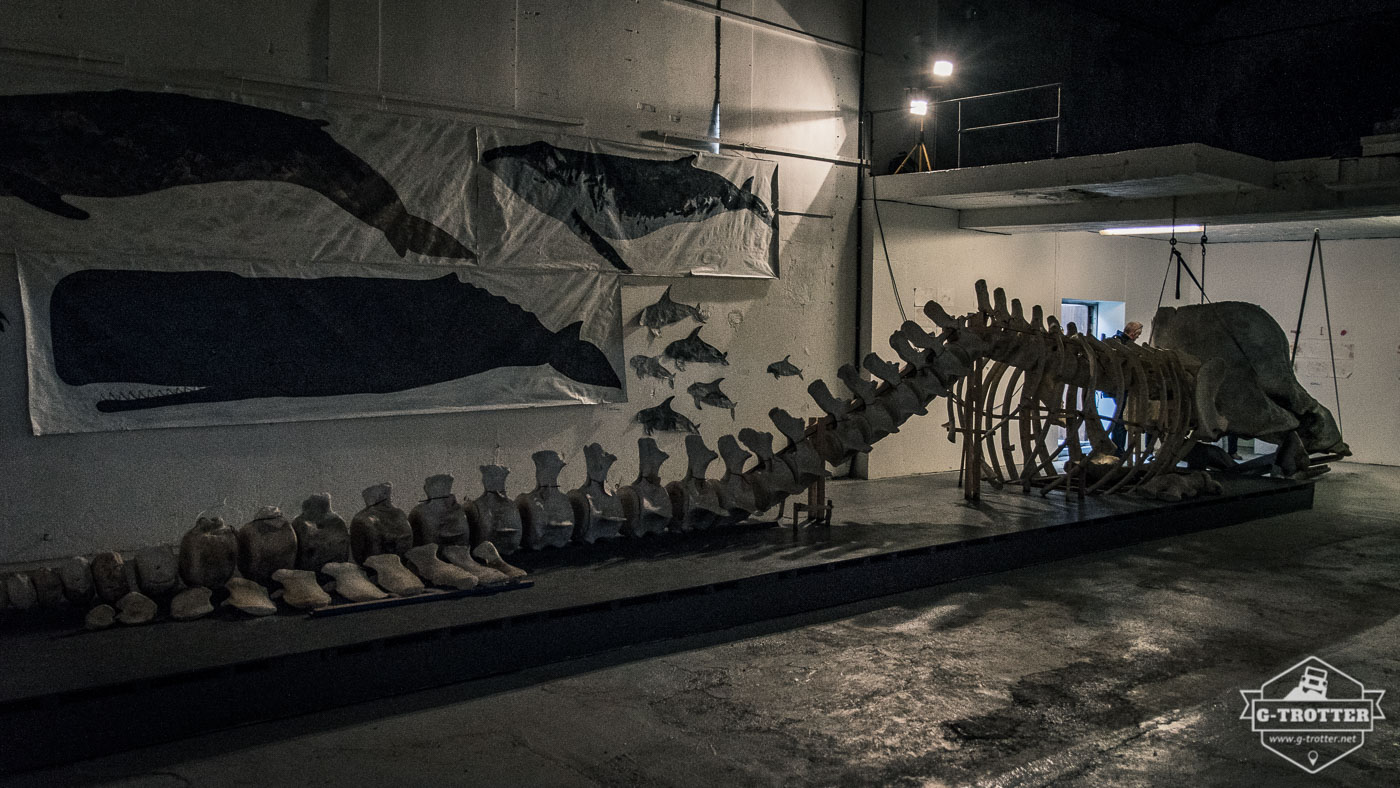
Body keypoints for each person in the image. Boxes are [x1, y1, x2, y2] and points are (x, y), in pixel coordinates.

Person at [1108, 322, 1143, 452]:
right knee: (1121, 418)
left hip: (1119, 386)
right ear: (1133, 333)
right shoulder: (1124, 344)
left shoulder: (1117, 340)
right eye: (1138, 334)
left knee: (1120, 417)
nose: (1138, 337)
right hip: (1123, 386)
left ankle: (1118, 448)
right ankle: (1118, 449)